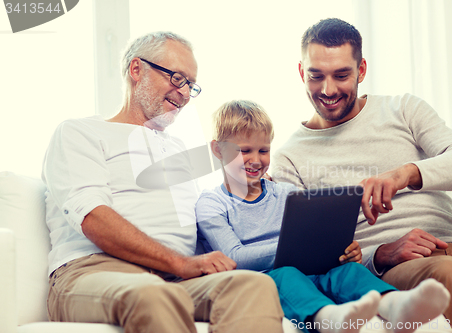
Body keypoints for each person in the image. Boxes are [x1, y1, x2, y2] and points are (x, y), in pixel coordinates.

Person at [41, 32, 285, 333]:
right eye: (176, 78)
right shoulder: (80, 132)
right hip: (96, 270)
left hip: (175, 278)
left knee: (253, 286)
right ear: (136, 69)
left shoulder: (180, 149)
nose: (184, 93)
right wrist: (180, 264)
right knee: (154, 294)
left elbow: (207, 213)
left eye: (191, 85)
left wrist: (254, 186)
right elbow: (93, 217)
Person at [271, 18, 452, 332]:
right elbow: (307, 257)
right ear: (301, 72)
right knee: (448, 272)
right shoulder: (289, 159)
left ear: (361, 70)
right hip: (396, 267)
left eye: (341, 75)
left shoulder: (403, 109)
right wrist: (380, 254)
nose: (328, 89)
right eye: (316, 76)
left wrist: (404, 174)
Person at [195, 100, 450, 333]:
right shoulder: (211, 203)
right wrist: (292, 249)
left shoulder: (288, 194)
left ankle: (395, 304)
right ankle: (328, 318)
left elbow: (318, 236)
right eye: (244, 150)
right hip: (266, 280)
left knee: (349, 271)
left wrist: (343, 249)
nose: (255, 160)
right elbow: (232, 258)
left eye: (263, 151)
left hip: (313, 271)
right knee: (286, 274)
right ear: (218, 150)